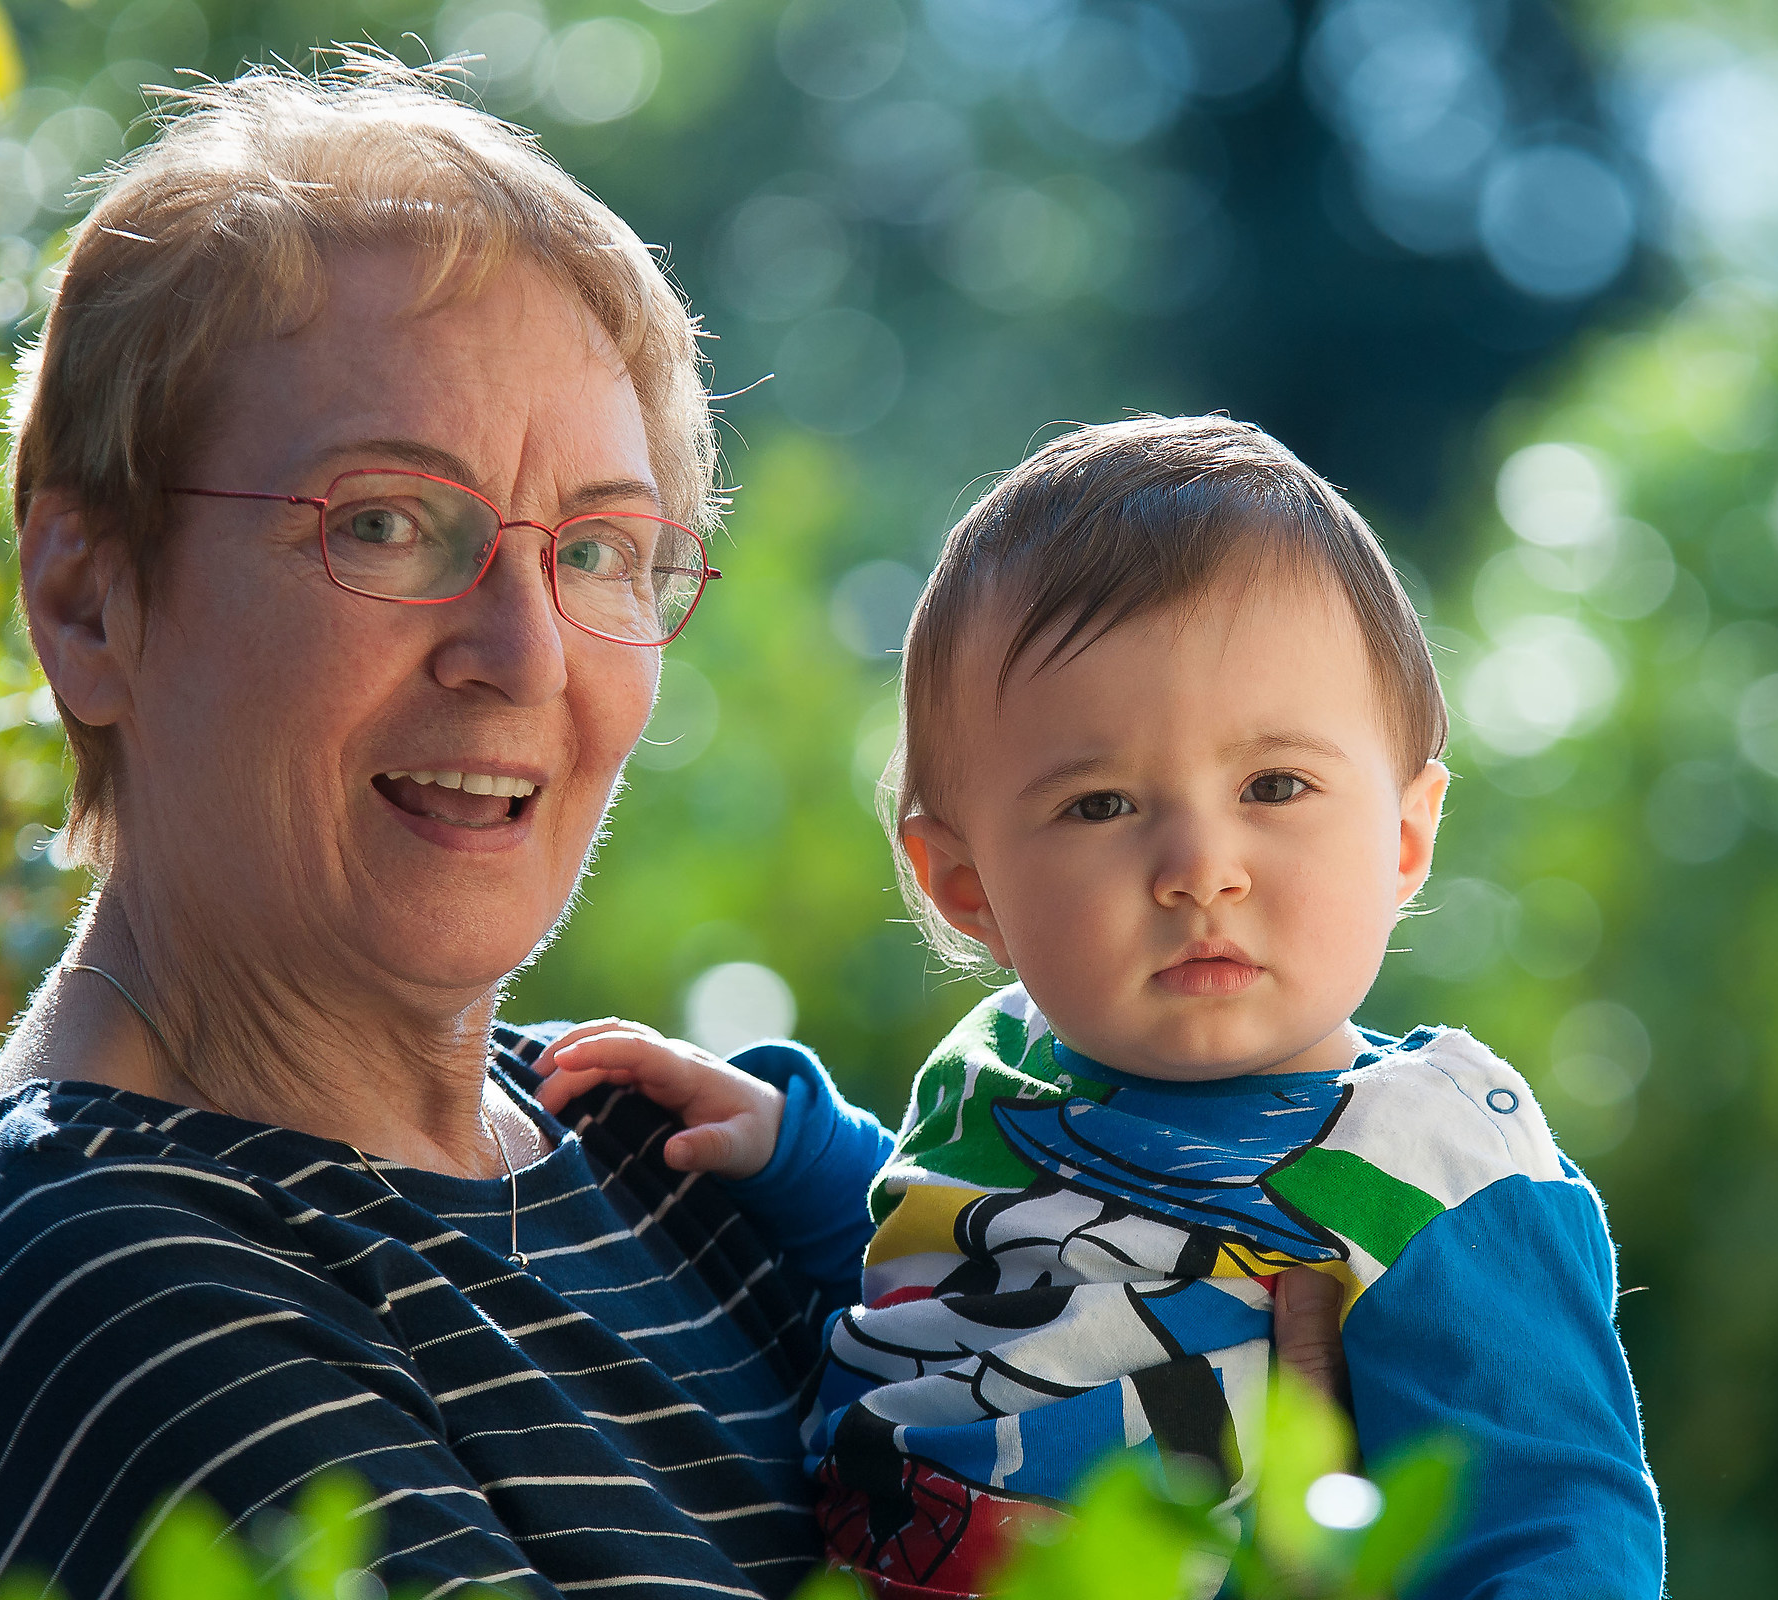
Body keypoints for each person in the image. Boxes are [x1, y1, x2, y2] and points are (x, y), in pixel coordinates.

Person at [0, 63, 1343, 1600]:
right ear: (90, 600)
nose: (526, 654)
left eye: (602, 550)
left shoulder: (657, 1150)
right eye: (387, 522)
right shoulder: (112, 1275)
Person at [540, 416, 1665, 1599]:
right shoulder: (1004, 1066)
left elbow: (1557, 1531)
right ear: (968, 884)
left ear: (1403, 835)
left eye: (1273, 785)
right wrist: (796, 1150)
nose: (1199, 865)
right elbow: (954, 1258)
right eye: (1102, 804)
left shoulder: (1439, 1170)